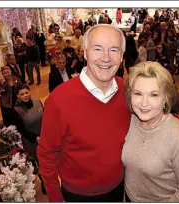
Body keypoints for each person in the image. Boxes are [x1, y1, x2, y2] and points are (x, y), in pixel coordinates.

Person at [37, 24, 131, 202]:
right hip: (78, 195)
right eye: (97, 49)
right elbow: (46, 153)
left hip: (119, 189)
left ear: (121, 57)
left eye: (113, 50)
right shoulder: (59, 99)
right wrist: (54, 197)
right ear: (85, 53)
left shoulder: (128, 91)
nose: (105, 58)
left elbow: (154, 116)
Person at [122, 61, 179, 202]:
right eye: (138, 93)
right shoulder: (130, 121)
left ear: (165, 98)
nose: (144, 103)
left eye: (154, 95)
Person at [12, 84, 46, 195]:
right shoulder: (16, 111)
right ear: (17, 96)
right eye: (22, 94)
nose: (25, 95)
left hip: (45, 137)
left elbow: (46, 117)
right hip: (31, 141)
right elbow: (21, 130)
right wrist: (36, 138)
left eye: (27, 92)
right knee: (39, 163)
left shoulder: (37, 101)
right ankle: (44, 184)